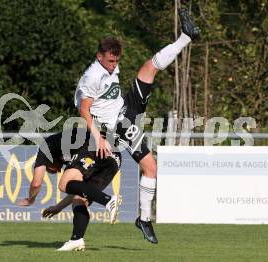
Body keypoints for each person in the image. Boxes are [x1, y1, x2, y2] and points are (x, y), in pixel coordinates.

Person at [60, 7, 201, 244]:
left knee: (149, 67)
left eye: (117, 61)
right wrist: (99, 137)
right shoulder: (92, 78)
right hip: (116, 127)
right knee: (151, 168)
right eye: (111, 61)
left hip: (125, 109)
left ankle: (186, 37)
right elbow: (84, 110)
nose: (115, 65)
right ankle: (142, 219)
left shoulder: (111, 67)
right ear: (99, 57)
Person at [18, 128, 122, 251]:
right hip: (114, 157)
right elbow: (80, 188)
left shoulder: (45, 148)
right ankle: (76, 240)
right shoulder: (69, 150)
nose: (56, 171)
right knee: (79, 199)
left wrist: (30, 200)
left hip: (95, 145)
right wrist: (59, 207)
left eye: (50, 169)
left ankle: (108, 200)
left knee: (63, 184)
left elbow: (36, 183)